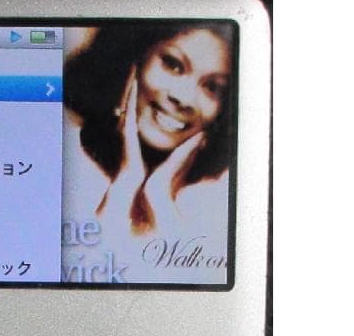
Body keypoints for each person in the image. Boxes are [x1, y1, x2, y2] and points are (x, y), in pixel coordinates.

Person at [63, 23, 235, 239]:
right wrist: (126, 182)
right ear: (133, 58)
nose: (184, 98)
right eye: (173, 65)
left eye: (212, 87)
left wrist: (159, 196)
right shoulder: (64, 162)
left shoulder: (220, 198)